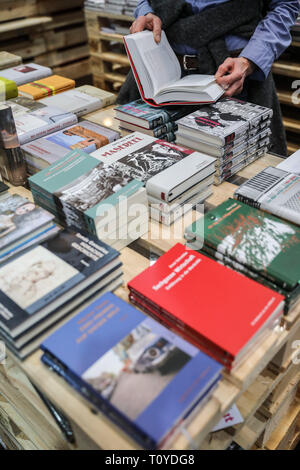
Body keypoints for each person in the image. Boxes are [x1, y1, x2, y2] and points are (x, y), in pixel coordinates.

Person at [118, 0, 300, 156]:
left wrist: (250, 60)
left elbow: (285, 5)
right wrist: (146, 12)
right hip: (162, 73)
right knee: (149, 157)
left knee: (238, 169)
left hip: (233, 76)